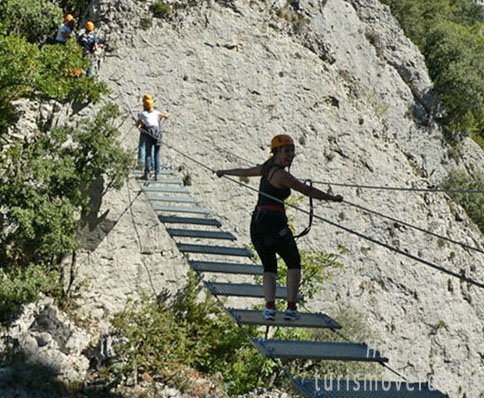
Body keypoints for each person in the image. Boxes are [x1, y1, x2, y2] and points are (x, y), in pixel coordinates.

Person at [216, 134, 343, 321]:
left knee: (269, 266)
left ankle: (270, 308)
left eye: (292, 151)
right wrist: (332, 198)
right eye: (286, 151)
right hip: (274, 223)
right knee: (293, 262)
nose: (290, 155)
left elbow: (245, 171)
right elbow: (306, 190)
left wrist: (225, 171)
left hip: (257, 223)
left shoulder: (266, 169)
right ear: (276, 152)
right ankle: (291, 308)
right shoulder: (282, 175)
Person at [136, 95, 170, 181]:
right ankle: (157, 175)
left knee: (148, 154)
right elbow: (165, 116)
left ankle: (147, 174)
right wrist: (167, 114)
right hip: (158, 133)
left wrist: (141, 126)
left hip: (149, 133)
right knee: (157, 155)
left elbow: (137, 124)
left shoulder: (142, 114)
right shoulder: (157, 113)